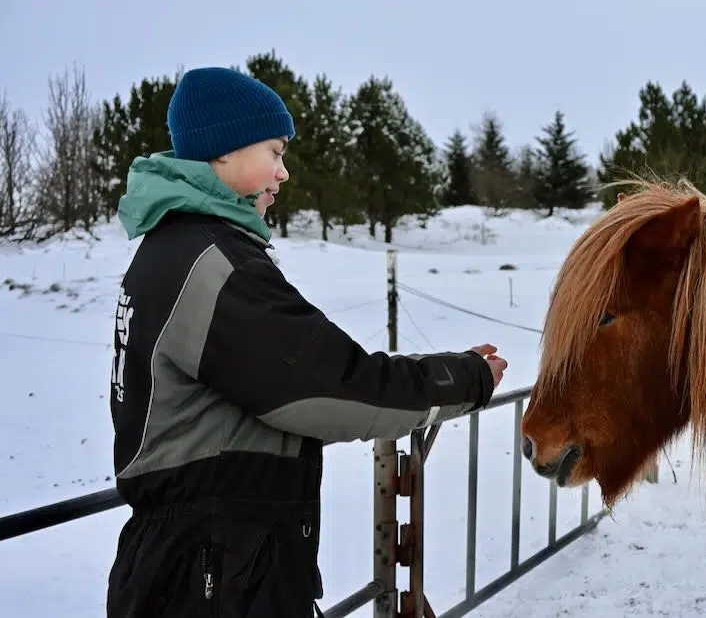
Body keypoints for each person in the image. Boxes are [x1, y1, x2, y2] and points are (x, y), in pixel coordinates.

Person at [105, 66, 508, 618]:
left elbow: (301, 371)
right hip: (213, 577)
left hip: (202, 565)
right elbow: (331, 388)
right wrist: (463, 379)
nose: (284, 171)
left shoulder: (177, 250)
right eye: (274, 151)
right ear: (224, 151)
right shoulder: (213, 266)